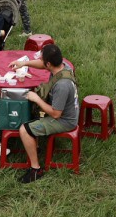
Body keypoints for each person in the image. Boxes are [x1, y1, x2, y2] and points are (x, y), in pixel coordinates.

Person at [10, 44, 79, 184]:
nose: (41, 62)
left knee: (24, 130)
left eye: (42, 60)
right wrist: (23, 63)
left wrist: (36, 99)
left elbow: (55, 114)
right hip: (64, 111)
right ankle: (36, 146)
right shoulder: (63, 67)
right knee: (32, 111)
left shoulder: (62, 85)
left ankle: (35, 169)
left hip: (65, 120)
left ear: (49, 63)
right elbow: (42, 65)